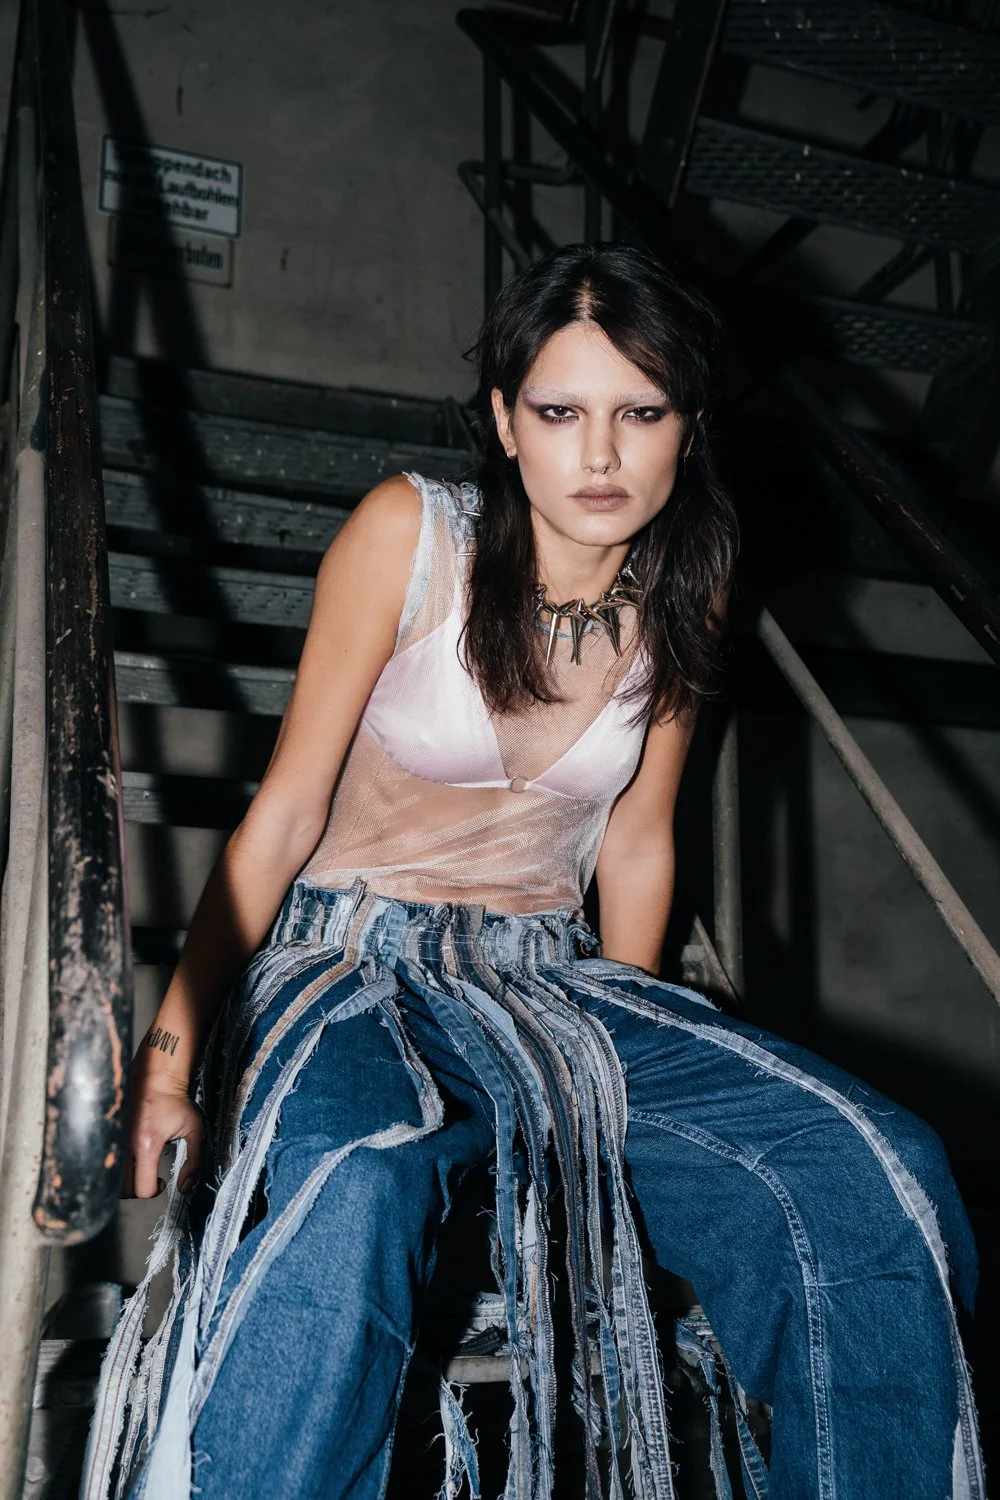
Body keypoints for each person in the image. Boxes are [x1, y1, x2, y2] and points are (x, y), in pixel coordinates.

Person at [83, 244, 983, 1500]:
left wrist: (624, 1053)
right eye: (560, 412)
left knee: (870, 1167)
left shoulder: (693, 588)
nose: (600, 456)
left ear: (691, 427)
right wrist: (171, 1054)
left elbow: (639, 835)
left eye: (641, 412)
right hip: (349, 961)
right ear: (506, 423)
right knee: (364, 1174)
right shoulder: (410, 535)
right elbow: (280, 818)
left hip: (552, 985)